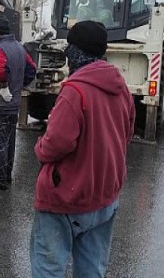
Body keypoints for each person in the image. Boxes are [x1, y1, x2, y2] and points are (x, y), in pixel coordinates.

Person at [30, 21, 135, 277]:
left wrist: (40, 148)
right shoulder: (121, 90)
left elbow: (56, 144)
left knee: (48, 269)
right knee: (92, 270)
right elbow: (127, 133)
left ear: (76, 53)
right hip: (104, 198)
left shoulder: (74, 91)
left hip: (66, 200)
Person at [0, 14, 36, 190]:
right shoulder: (20, 49)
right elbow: (32, 69)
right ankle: (7, 176)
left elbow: (0, 69)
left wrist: (5, 87)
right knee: (9, 141)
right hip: (14, 104)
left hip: (0, 104)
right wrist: (19, 86)